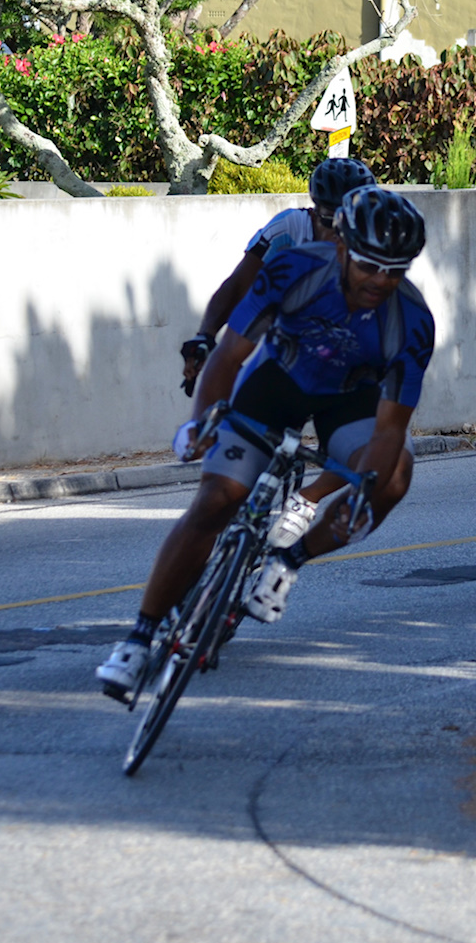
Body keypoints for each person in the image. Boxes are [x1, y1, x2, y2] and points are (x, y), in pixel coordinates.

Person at [97, 186, 434, 700]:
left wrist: (363, 493)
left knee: (395, 475)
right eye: (371, 266)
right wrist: (202, 420)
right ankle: (138, 639)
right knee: (216, 501)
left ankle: (289, 561)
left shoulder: (412, 321)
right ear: (343, 248)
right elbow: (230, 356)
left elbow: (389, 428)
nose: (382, 281)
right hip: (276, 382)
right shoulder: (294, 269)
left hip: (348, 400)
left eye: (397, 269)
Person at [179, 157, 377, 396]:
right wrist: (205, 336)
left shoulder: (374, 239)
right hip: (289, 346)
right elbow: (239, 285)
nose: (339, 235)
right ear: (315, 211)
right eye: (331, 222)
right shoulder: (289, 228)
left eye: (349, 224)